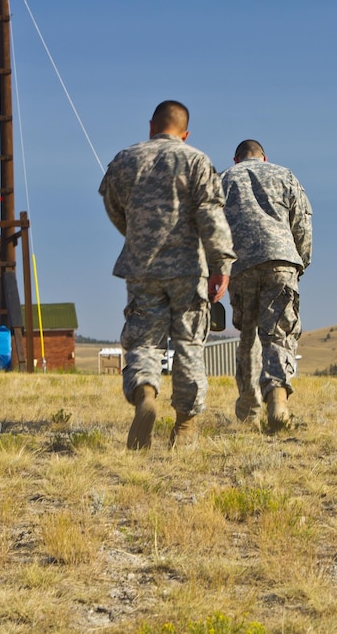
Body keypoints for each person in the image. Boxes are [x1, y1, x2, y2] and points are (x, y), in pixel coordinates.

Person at [99, 100, 235, 450]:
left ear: (151, 126)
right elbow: (211, 217)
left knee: (144, 341)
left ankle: (145, 391)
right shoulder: (197, 161)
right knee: (189, 345)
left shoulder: (125, 160)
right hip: (189, 270)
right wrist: (220, 265)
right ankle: (186, 426)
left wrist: (137, 237)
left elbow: (115, 207)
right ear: (185, 133)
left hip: (141, 268)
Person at [220, 140, 313, 431]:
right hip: (282, 262)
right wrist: (301, 263)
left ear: (236, 159)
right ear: (264, 157)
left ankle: (249, 407)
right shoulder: (285, 175)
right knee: (279, 334)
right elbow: (302, 223)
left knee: (248, 336)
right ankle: (278, 402)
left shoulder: (224, 179)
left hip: (240, 265)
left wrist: (215, 270)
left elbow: (208, 227)